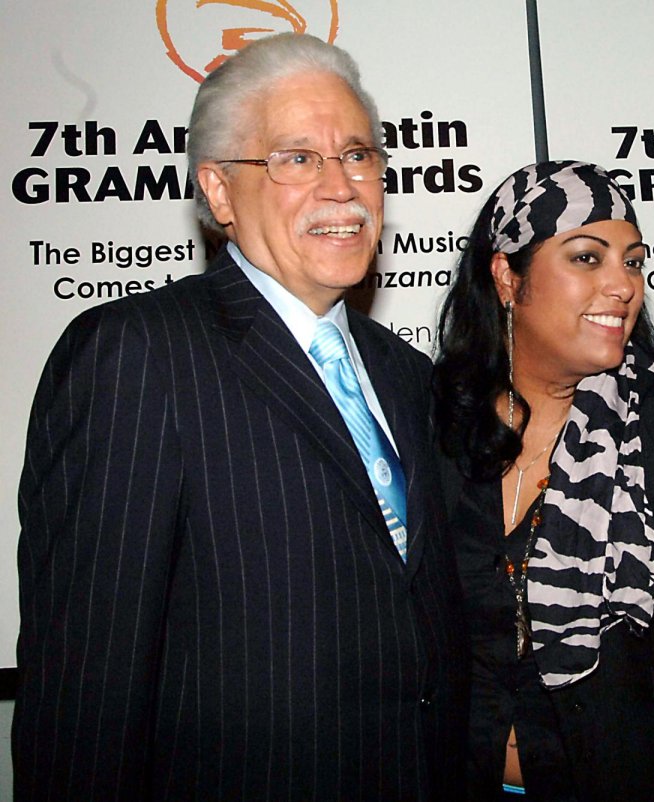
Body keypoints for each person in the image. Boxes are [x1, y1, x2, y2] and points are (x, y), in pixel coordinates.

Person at [14, 34, 465, 801]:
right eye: (297, 159)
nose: (342, 186)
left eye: (358, 155)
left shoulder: (407, 374)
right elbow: (85, 689)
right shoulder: (137, 357)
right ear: (219, 194)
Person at [433, 160, 654, 802]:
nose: (622, 285)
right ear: (506, 276)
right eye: (587, 258)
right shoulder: (433, 427)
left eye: (633, 262)